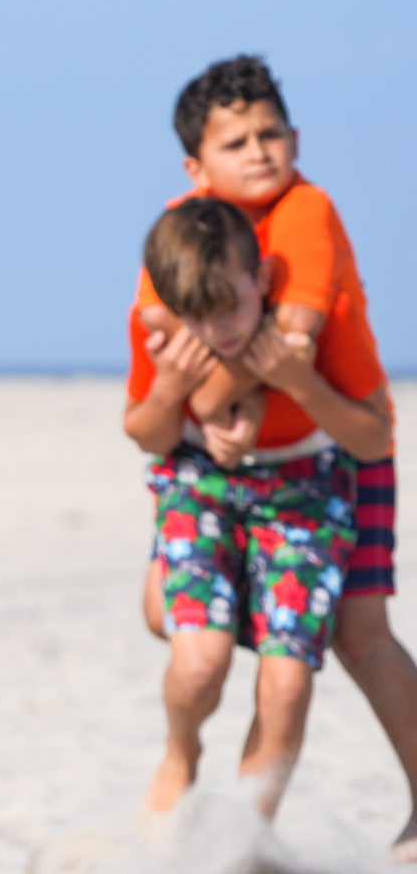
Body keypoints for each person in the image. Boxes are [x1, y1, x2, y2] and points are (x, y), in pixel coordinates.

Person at [127, 56, 417, 856]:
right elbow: (159, 340)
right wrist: (211, 404)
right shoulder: (187, 230)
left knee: (357, 635)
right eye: (238, 141)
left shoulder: (302, 210)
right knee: (181, 630)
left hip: (342, 444)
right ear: (197, 166)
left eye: (272, 133)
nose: (260, 151)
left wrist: (227, 401)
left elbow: (286, 338)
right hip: (222, 467)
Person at [125, 197, 390, 818]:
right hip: (200, 482)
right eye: (199, 316)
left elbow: (372, 439)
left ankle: (246, 829)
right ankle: (180, 756)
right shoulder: (166, 334)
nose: (217, 330)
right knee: (198, 663)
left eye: (232, 309)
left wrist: (299, 383)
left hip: (305, 493)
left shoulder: (315, 325)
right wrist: (169, 389)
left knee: (289, 680)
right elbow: (143, 432)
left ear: (263, 282)